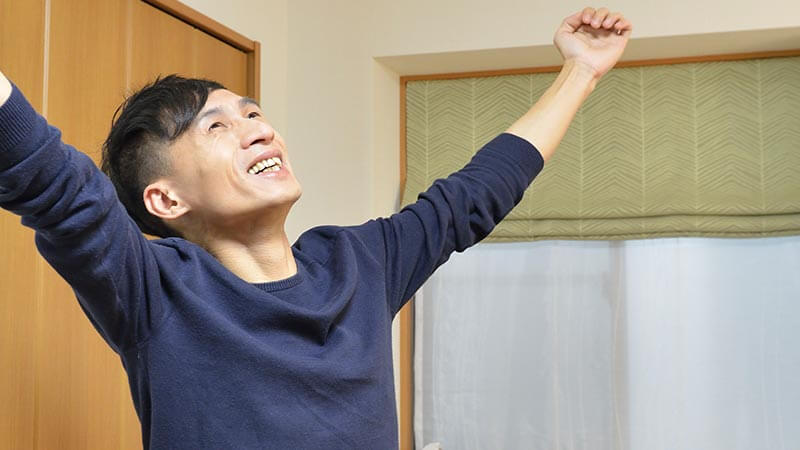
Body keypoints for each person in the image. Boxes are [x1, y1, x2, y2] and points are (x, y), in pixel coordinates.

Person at [0, 6, 631, 449]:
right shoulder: (154, 291)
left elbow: (476, 193)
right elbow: (54, 184)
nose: (259, 126)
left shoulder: (359, 263)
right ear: (165, 200)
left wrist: (581, 71)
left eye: (253, 112)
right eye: (216, 127)